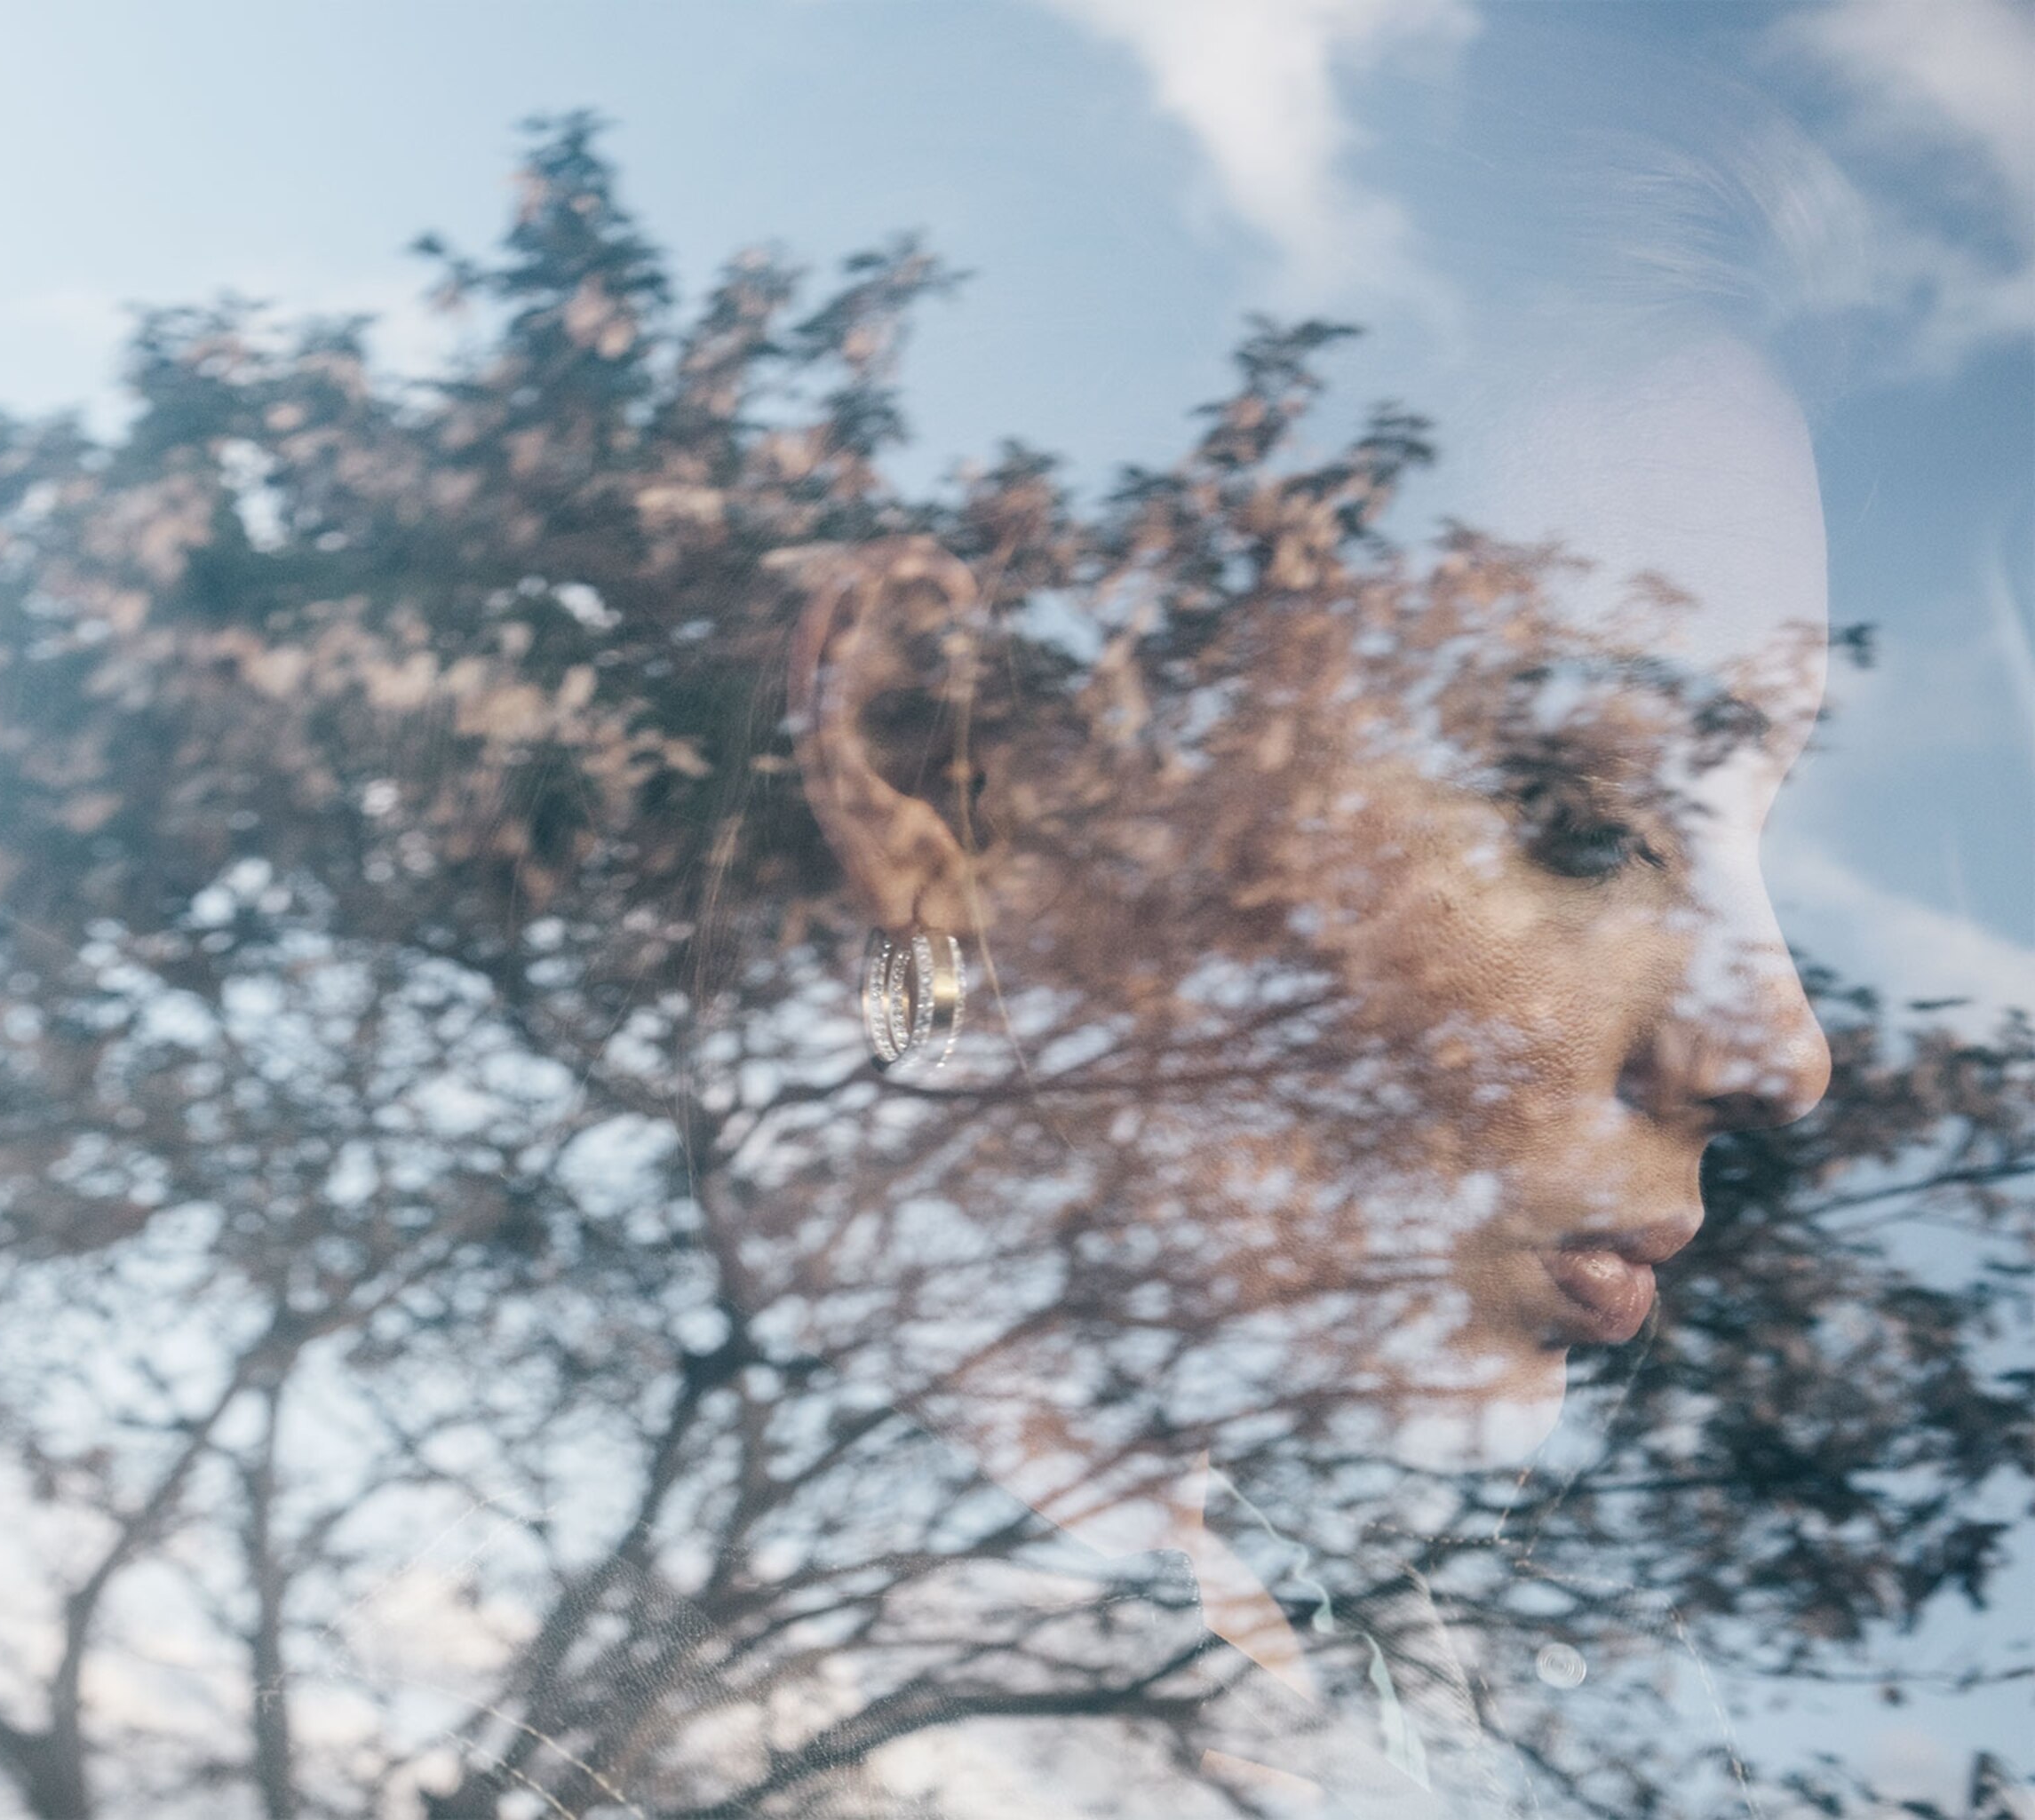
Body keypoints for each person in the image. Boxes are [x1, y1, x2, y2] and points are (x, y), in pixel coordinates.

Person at [759, 122, 1847, 1820]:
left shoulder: (1377, 1658)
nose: (1785, 1049)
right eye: (1577, 815)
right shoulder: (707, 1657)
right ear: (940, 762)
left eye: (1761, 824)